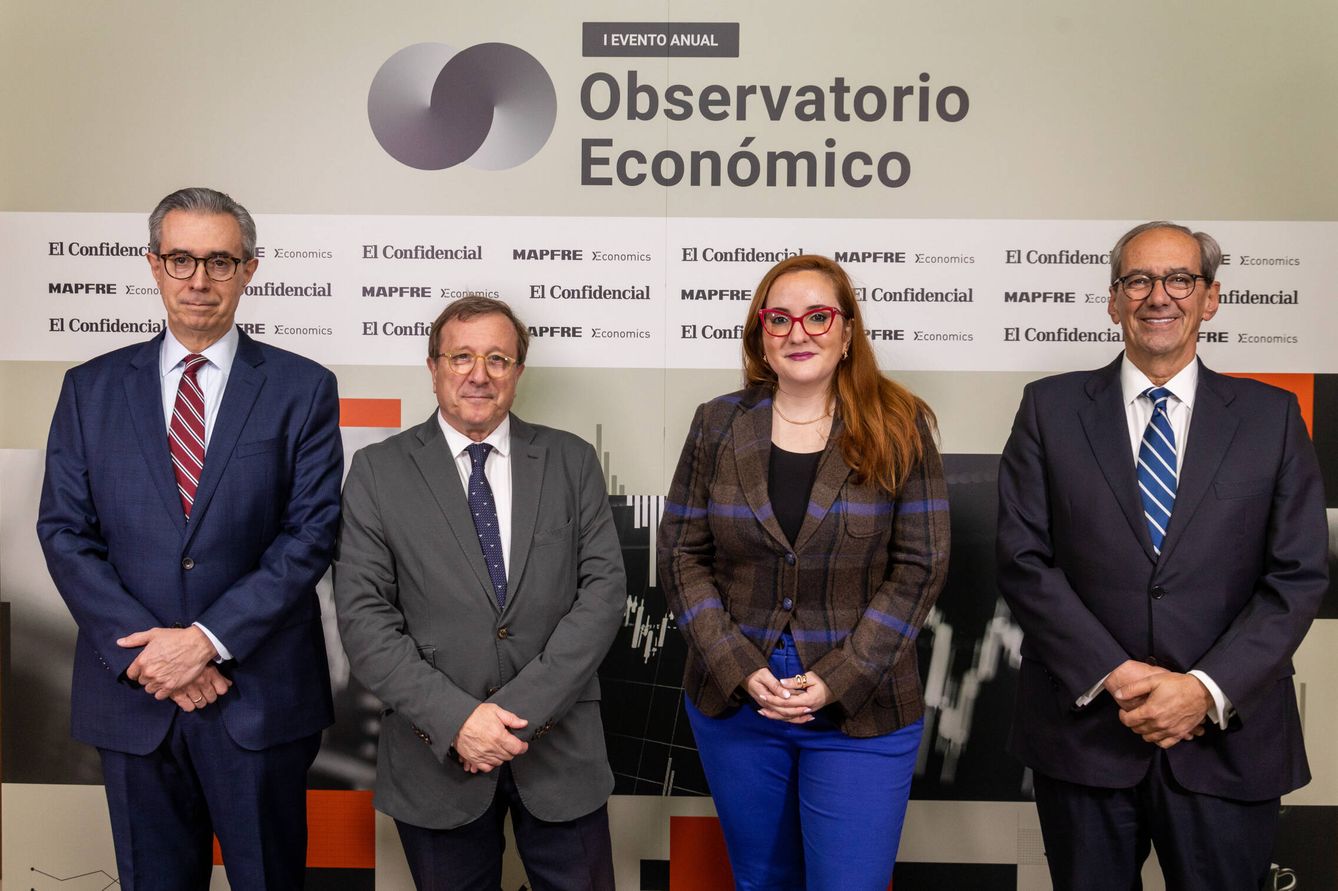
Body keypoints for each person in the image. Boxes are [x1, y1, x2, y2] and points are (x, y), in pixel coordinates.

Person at [996, 221, 1327, 890]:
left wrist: (1201, 691)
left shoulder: (1274, 417)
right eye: (1138, 280)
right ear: (1114, 299)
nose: (1159, 296)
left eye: (1180, 279)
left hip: (1226, 742)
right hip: (1086, 733)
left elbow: (1297, 575)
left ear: (1210, 299)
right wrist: (1117, 674)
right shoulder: (1048, 409)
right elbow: (1023, 559)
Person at [36, 187, 343, 889]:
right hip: (135, 698)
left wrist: (205, 640)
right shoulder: (90, 388)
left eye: (219, 261)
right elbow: (64, 532)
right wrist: (154, 656)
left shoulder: (303, 388)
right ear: (153, 264)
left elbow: (311, 532)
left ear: (249, 269)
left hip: (258, 698)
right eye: (181, 259)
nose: (199, 280)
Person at [658, 254, 950, 890]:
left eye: (819, 316)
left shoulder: (899, 426)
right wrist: (739, 667)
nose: (799, 332)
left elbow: (921, 568)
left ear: (847, 333)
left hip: (862, 706)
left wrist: (837, 677)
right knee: (763, 883)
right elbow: (681, 555)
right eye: (780, 318)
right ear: (761, 333)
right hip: (739, 701)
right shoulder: (717, 423)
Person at [333, 295, 625, 891]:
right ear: (433, 366)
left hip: (561, 748)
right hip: (435, 753)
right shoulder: (377, 470)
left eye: (498, 358)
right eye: (461, 356)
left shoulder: (571, 461)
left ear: (518, 371)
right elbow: (364, 619)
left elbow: (602, 595)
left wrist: (514, 718)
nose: (479, 374)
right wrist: (460, 720)